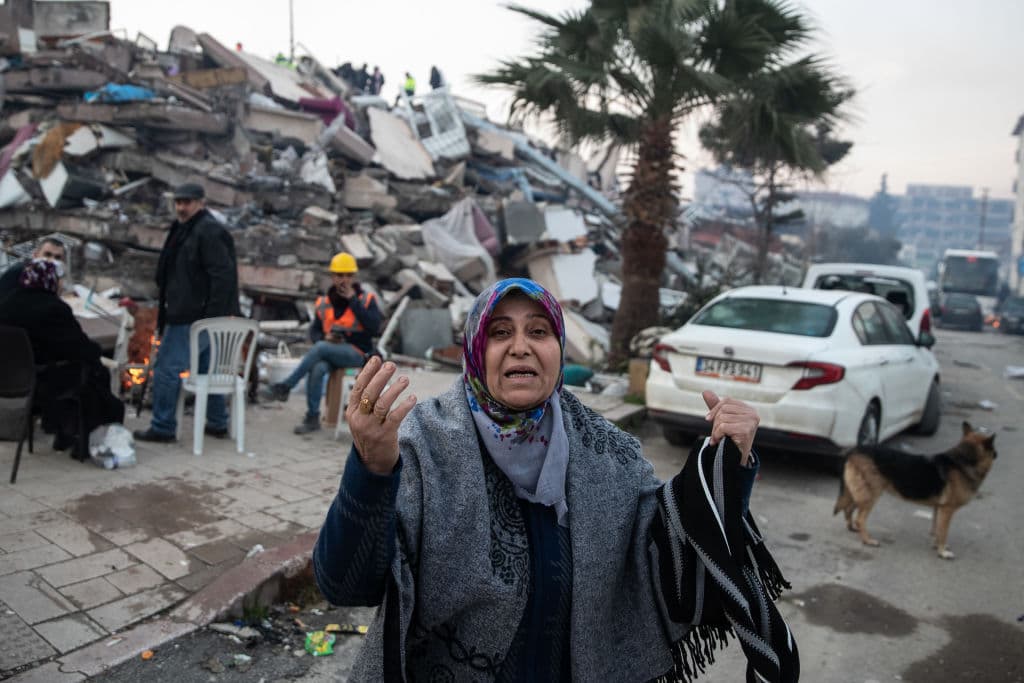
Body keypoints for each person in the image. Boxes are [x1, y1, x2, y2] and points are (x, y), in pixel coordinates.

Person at [313, 278, 799, 681]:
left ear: (558, 349)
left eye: (539, 331)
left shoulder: (610, 452)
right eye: (500, 332)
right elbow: (345, 585)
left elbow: (671, 565)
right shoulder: (423, 444)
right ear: (477, 349)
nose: (521, 346)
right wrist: (372, 469)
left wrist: (724, 471)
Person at [134, 183, 240, 443]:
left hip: (192, 317)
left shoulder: (208, 231)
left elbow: (223, 276)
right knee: (208, 370)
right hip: (190, 314)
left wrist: (210, 318)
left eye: (187, 202)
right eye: (178, 202)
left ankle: (163, 426)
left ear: (200, 202)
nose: (181, 207)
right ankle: (217, 423)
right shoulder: (184, 228)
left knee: (167, 369)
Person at [0, 259, 124, 457]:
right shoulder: (54, 308)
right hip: (45, 383)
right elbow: (80, 346)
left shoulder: (6, 305)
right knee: (94, 373)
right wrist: (96, 351)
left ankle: (64, 431)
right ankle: (84, 440)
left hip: (10, 381)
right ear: (48, 280)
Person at [264, 252, 382, 435]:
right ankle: (312, 417)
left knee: (320, 349)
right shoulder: (325, 302)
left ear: (354, 277)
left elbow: (374, 328)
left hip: (359, 353)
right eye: (340, 275)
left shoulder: (365, 300)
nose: (344, 280)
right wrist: (325, 338)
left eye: (348, 275)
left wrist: (352, 299)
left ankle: (286, 386)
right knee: (318, 367)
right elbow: (314, 330)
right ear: (332, 277)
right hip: (332, 351)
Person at [0, 237, 66, 296]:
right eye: (47, 255)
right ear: (35, 255)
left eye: (57, 257)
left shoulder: (56, 278)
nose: (52, 260)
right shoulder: (19, 272)